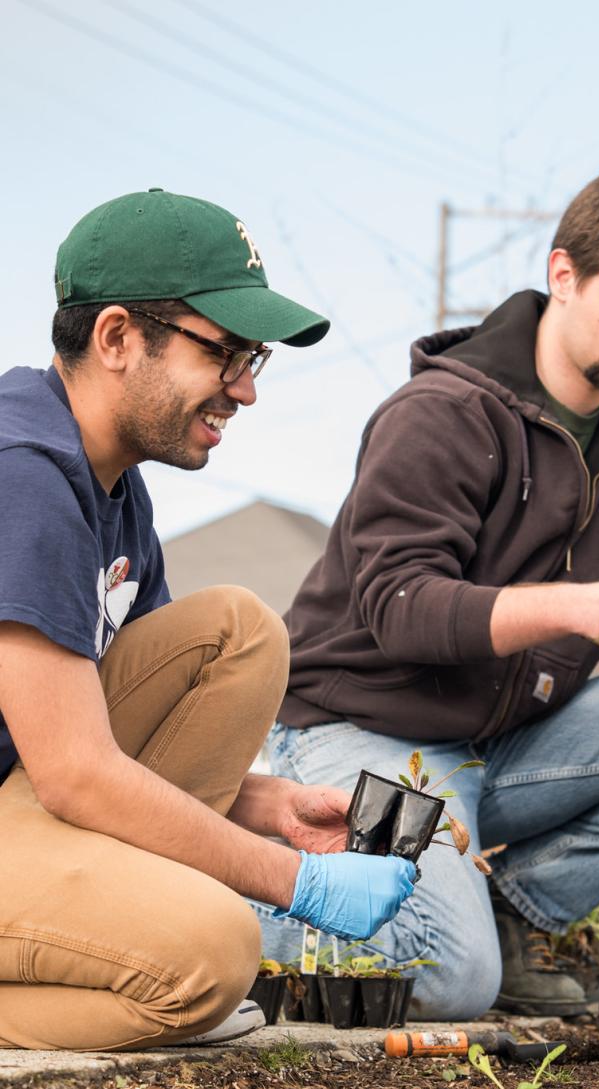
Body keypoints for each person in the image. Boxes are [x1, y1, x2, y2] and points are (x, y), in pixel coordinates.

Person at [256, 167, 599, 1020]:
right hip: (364, 738)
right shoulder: (441, 412)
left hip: (505, 743)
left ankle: (516, 913)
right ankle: (210, 892)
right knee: (453, 980)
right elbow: (401, 609)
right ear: (564, 276)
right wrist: (585, 605)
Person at [0, 188, 415, 1052]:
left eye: (253, 357)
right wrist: (295, 878)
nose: (246, 390)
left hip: (20, 811)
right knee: (210, 951)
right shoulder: (23, 475)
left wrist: (272, 808)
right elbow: (77, 772)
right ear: (116, 337)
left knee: (239, 631)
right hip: (30, 807)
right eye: (222, 351)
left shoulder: (117, 493)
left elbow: (105, 739)